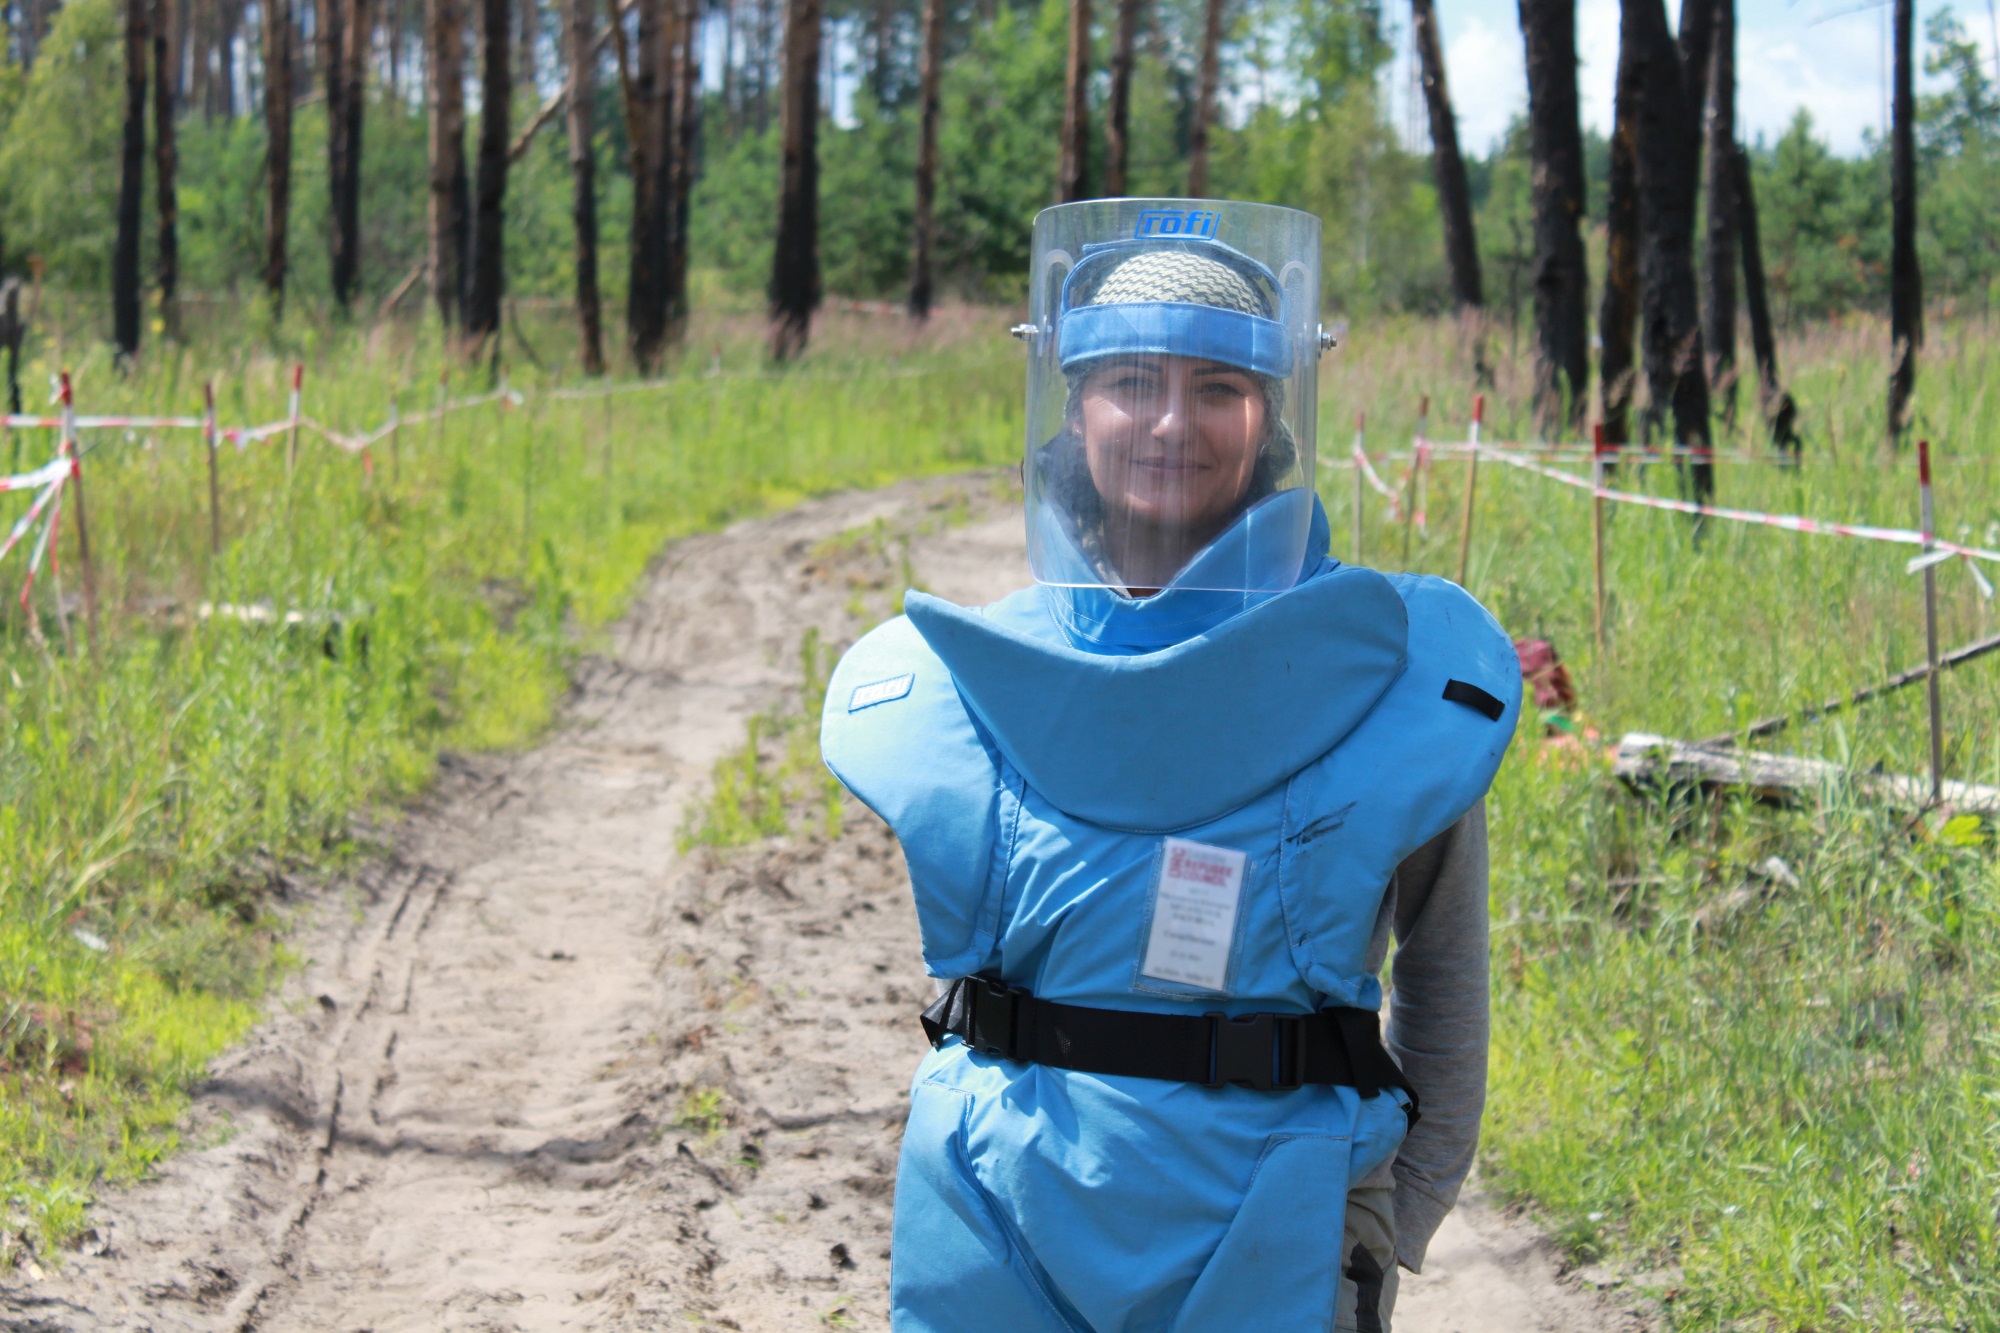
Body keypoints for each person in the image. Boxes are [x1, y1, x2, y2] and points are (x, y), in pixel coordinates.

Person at [821, 199, 1520, 1333]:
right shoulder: (971, 680)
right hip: (1002, 1221)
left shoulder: (1384, 684)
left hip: (1275, 1231)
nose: (1168, 424)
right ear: (1073, 403)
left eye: (1216, 388)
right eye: (1130, 382)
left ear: (1269, 414)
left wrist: (1397, 1208)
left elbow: (1444, 979)